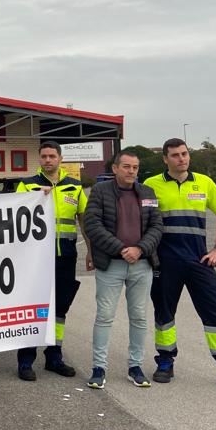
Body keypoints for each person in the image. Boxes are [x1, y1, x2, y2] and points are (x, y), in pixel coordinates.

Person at [144, 139, 216, 393]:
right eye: (175, 155)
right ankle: (165, 361)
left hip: (199, 260)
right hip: (165, 263)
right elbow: (141, 220)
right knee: (164, 314)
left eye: (185, 154)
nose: (181, 159)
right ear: (165, 159)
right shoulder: (150, 185)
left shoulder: (204, 183)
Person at [83, 149, 162, 389]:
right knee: (105, 317)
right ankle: (99, 368)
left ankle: (135, 366)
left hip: (141, 266)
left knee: (139, 318)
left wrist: (139, 249)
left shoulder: (148, 193)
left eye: (135, 167)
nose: (131, 171)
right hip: (111, 266)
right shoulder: (100, 191)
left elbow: (157, 226)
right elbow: (92, 224)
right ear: (115, 168)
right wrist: (120, 249)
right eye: (126, 166)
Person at [15, 141, 87, 381]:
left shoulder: (75, 187)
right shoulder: (27, 184)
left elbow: (84, 220)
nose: (48, 160)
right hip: (35, 258)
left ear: (60, 158)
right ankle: (25, 360)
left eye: (52, 156)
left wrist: (91, 251)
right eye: (44, 156)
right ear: (39, 159)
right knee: (33, 306)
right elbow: (15, 213)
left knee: (60, 308)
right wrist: (34, 197)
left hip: (66, 256)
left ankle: (54, 357)